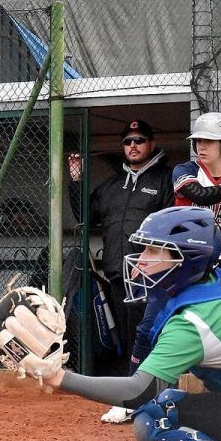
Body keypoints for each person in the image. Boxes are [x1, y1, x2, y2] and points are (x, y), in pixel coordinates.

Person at [35, 206, 221, 441]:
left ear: (187, 260)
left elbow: (140, 391)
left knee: (156, 415)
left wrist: (60, 378)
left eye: (154, 251)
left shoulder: (193, 323)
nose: (141, 260)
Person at [68, 119, 174, 422]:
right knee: (128, 339)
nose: (133, 146)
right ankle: (133, 397)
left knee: (153, 336)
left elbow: (172, 225)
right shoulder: (112, 186)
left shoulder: (165, 179)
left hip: (152, 277)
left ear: (151, 144)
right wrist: (76, 180)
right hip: (118, 274)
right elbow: (84, 214)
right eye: (128, 141)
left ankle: (158, 397)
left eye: (139, 140)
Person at [174, 112, 221, 268]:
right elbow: (201, 196)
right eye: (198, 140)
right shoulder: (185, 170)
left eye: (209, 141)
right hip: (190, 259)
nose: (201, 146)